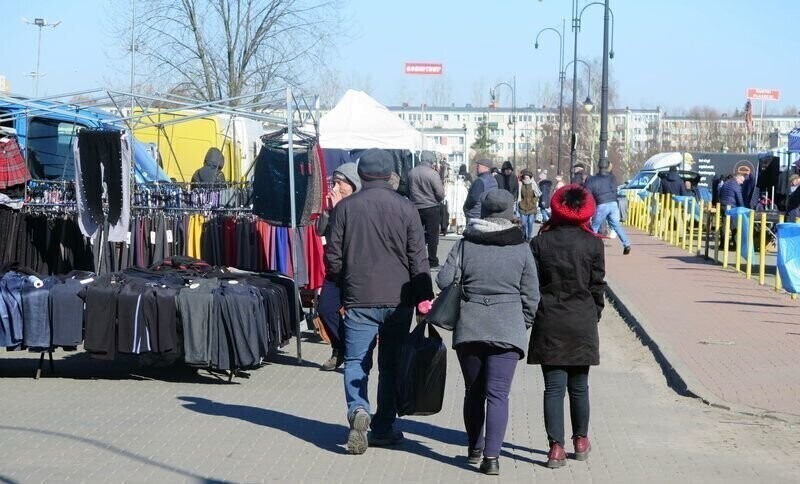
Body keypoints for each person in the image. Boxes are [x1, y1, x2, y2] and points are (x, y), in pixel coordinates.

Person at [325, 149, 434, 455]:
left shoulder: (346, 209)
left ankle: (358, 410)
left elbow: (332, 257)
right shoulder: (407, 208)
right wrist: (424, 297)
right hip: (399, 299)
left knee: (357, 360)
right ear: (389, 175)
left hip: (359, 297)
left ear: (361, 175)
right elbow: (418, 257)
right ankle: (383, 425)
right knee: (391, 365)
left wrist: (341, 280)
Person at [434, 189, 539, 476]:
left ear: (483, 211)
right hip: (508, 327)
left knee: (473, 391)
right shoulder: (521, 246)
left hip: (470, 326)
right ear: (510, 213)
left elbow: (443, 279)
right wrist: (522, 322)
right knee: (498, 395)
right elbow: (532, 294)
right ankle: (491, 458)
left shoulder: (466, 243)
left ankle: (474, 447)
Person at [529, 184, 606, 469]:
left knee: (553, 388)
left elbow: (532, 286)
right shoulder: (593, 243)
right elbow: (597, 285)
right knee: (579, 386)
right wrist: (594, 312)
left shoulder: (540, 243)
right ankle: (581, 440)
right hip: (581, 319)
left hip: (550, 318)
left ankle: (556, 448)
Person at [316, 163, 361, 371]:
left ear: (352, 185)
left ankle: (352, 354)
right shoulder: (334, 208)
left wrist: (338, 211)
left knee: (355, 316)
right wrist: (330, 212)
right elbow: (322, 233)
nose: (334, 188)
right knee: (325, 308)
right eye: (333, 182)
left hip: (354, 270)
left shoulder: (358, 208)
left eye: (339, 183)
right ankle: (340, 347)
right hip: (334, 270)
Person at [408, 152, 446, 268]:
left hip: (416, 206)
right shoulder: (433, 174)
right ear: (431, 160)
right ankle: (432, 260)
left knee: (416, 235)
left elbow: (408, 190)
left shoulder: (411, 172)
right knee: (432, 236)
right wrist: (438, 199)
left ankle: (416, 258)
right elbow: (440, 193)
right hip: (431, 207)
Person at [584, 164, 631, 255]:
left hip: (602, 204)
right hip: (613, 204)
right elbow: (615, 189)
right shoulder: (612, 178)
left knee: (594, 227)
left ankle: (589, 247)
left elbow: (587, 194)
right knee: (616, 226)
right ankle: (626, 244)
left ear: (598, 166)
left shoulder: (593, 180)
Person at [518, 170, 538, 242]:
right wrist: (519, 202)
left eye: (528, 178)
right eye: (525, 177)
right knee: (523, 223)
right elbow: (518, 194)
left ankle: (529, 236)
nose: (526, 179)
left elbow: (537, 195)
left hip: (531, 207)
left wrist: (533, 201)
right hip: (523, 207)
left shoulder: (533, 184)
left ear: (530, 178)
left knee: (530, 222)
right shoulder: (520, 184)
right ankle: (524, 235)